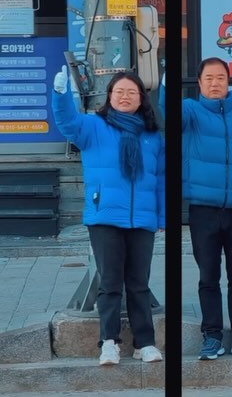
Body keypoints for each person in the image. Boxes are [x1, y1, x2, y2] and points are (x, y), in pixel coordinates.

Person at [51, 67, 165, 365]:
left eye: (131, 92)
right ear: (110, 96)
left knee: (139, 284)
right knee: (111, 282)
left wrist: (161, 217)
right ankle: (109, 342)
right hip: (104, 217)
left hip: (142, 219)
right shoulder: (93, 127)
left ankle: (145, 343)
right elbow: (66, 121)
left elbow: (161, 179)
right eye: (119, 91)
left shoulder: (152, 136)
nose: (125, 97)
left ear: (141, 98)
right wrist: (61, 94)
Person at [159, 57, 232, 360]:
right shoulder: (191, 111)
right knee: (208, 276)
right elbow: (167, 110)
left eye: (220, 78)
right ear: (199, 83)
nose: (215, 83)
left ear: (229, 82)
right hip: (203, 209)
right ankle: (212, 335)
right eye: (209, 78)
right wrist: (166, 85)